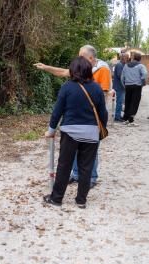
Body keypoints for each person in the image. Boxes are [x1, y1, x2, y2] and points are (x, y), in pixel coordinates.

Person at [34, 45, 111, 188]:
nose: (79, 58)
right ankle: (76, 175)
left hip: (92, 118)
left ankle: (91, 178)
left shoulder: (103, 70)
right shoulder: (81, 69)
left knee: (89, 153)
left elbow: (104, 95)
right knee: (75, 147)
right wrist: (46, 67)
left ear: (91, 58)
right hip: (78, 118)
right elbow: (63, 72)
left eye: (81, 56)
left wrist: (101, 124)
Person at [43, 56, 108, 208]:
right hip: (91, 133)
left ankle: (57, 198)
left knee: (64, 165)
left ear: (73, 71)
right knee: (86, 167)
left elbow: (57, 111)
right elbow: (102, 113)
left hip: (70, 132)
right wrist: (101, 128)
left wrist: (51, 131)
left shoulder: (67, 87)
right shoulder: (97, 88)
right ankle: (81, 200)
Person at [121, 53, 148, 126]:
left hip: (128, 86)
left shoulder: (126, 65)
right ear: (140, 59)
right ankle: (131, 119)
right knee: (135, 102)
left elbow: (122, 77)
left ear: (133, 58)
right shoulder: (141, 66)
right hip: (137, 86)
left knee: (127, 101)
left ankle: (125, 118)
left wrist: (124, 85)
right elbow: (145, 74)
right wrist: (142, 82)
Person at [113, 53, 129, 122]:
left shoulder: (123, 64)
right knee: (119, 102)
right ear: (123, 58)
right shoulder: (119, 65)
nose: (127, 59)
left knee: (120, 102)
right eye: (127, 58)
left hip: (121, 86)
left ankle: (118, 116)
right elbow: (120, 76)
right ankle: (117, 117)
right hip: (119, 86)